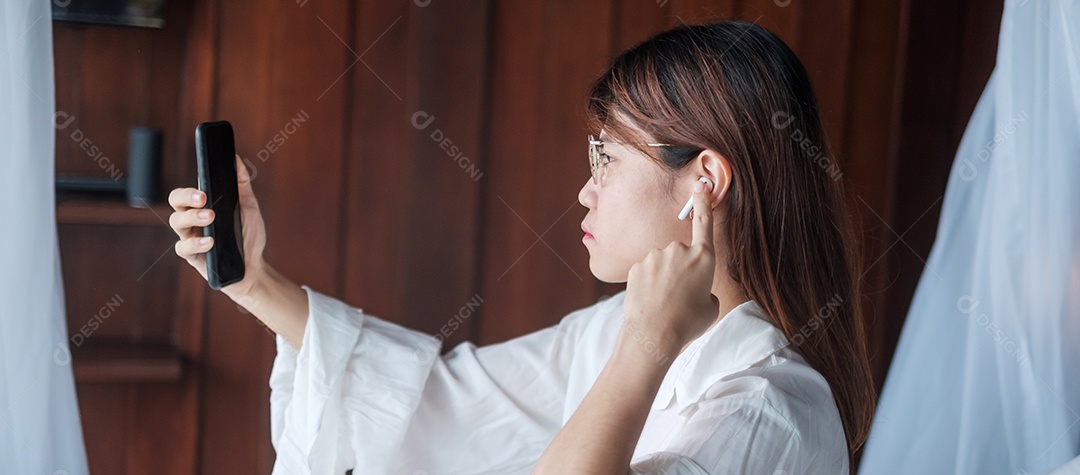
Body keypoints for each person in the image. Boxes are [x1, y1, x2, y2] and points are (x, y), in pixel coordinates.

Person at [168, 21, 875, 475]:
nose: (585, 191)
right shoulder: (616, 328)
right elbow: (444, 403)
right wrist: (254, 281)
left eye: (607, 159)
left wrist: (646, 349)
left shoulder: (774, 410)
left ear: (706, 180)